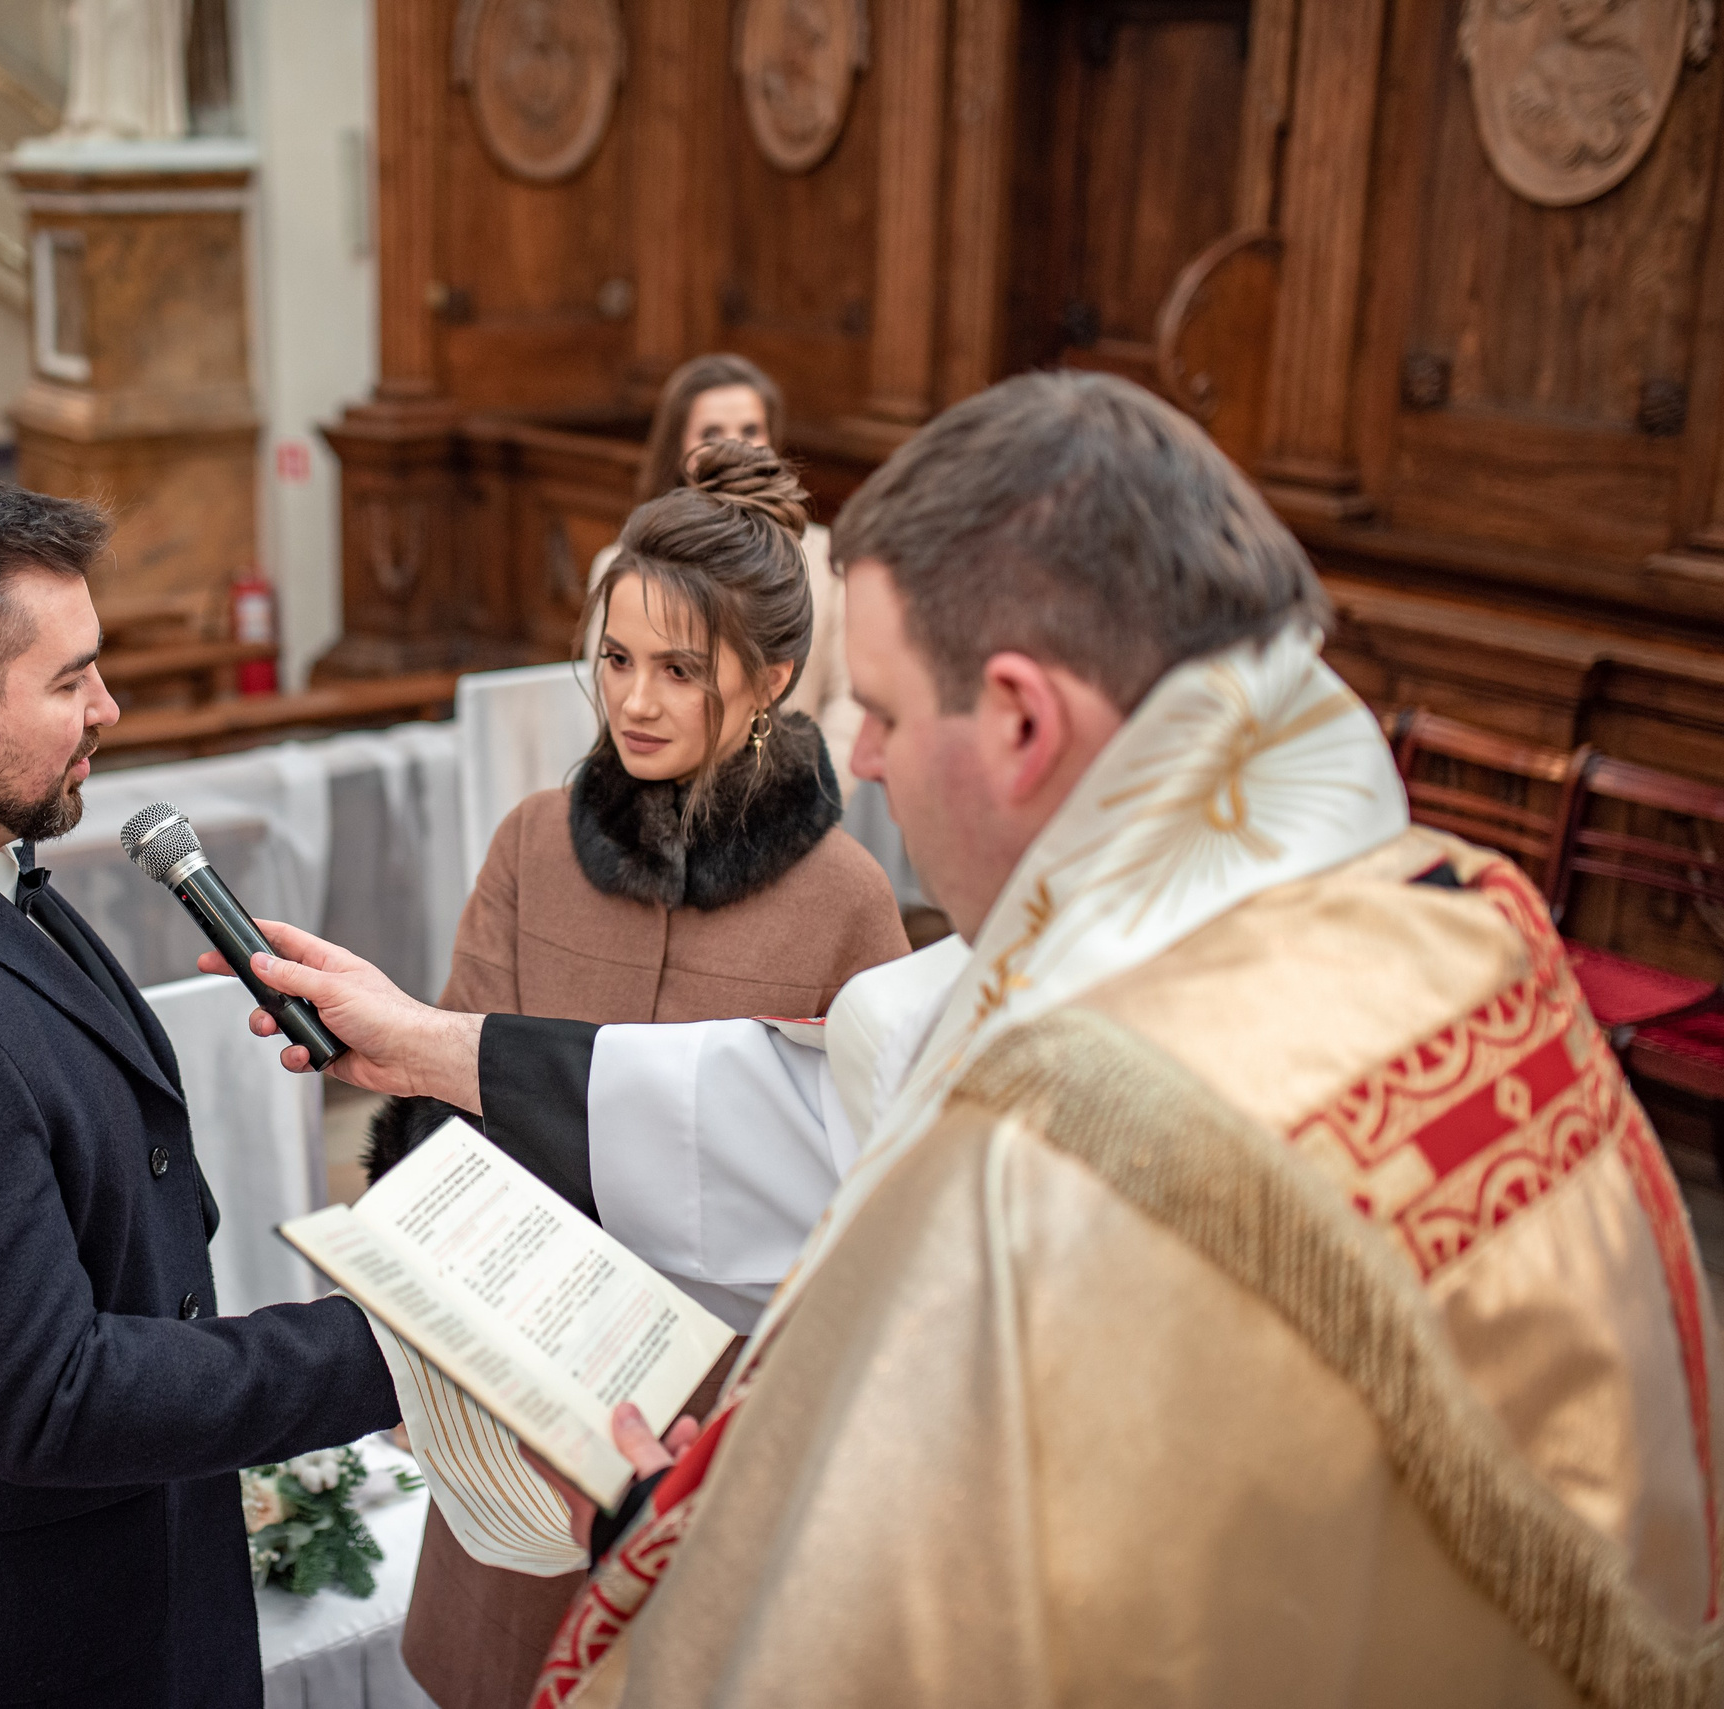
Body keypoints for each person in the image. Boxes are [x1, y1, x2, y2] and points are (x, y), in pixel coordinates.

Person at [220, 371, 1723, 1706]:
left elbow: (881, 1633)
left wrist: (644, 1538)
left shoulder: (1073, 1155)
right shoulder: (1451, 913)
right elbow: (840, 1094)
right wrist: (425, 1044)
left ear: (1017, 719)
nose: (859, 754)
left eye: (880, 709)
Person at [0, 469, 400, 1709]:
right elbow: (49, 1395)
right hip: (14, 1633)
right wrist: (392, 1346)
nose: (108, 706)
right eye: (69, 680)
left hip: (116, 1531)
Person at [383, 439, 911, 1709]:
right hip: (523, 1382)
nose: (634, 700)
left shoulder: (844, 898)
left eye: (680, 669)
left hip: (716, 1419)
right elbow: (441, 1093)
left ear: (772, 677)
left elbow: (873, 1191)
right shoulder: (530, 843)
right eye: (616, 660)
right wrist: (418, 1337)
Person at [589, 354, 862, 801]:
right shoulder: (623, 566)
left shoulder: (825, 559)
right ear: (678, 447)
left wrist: (807, 797)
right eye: (711, 433)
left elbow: (848, 700)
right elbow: (612, 708)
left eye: (751, 430)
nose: (735, 444)